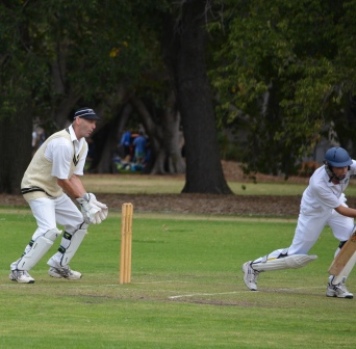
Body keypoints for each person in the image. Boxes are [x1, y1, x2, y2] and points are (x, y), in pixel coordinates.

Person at [10, 107, 108, 284]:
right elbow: (62, 179)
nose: (93, 125)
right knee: (49, 230)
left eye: (95, 122)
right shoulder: (62, 142)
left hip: (54, 190)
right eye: (90, 121)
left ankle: (59, 265)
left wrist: (87, 199)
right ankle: (18, 269)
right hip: (36, 186)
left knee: (79, 222)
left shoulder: (82, 145)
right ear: (78, 120)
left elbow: (73, 176)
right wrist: (81, 200)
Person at [243, 146, 356, 299]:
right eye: (339, 168)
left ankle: (335, 284)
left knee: (352, 238)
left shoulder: (349, 166)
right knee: (295, 256)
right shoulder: (318, 183)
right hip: (314, 212)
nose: (344, 171)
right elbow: (342, 210)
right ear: (329, 166)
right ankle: (253, 267)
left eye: (345, 167)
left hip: (336, 204)